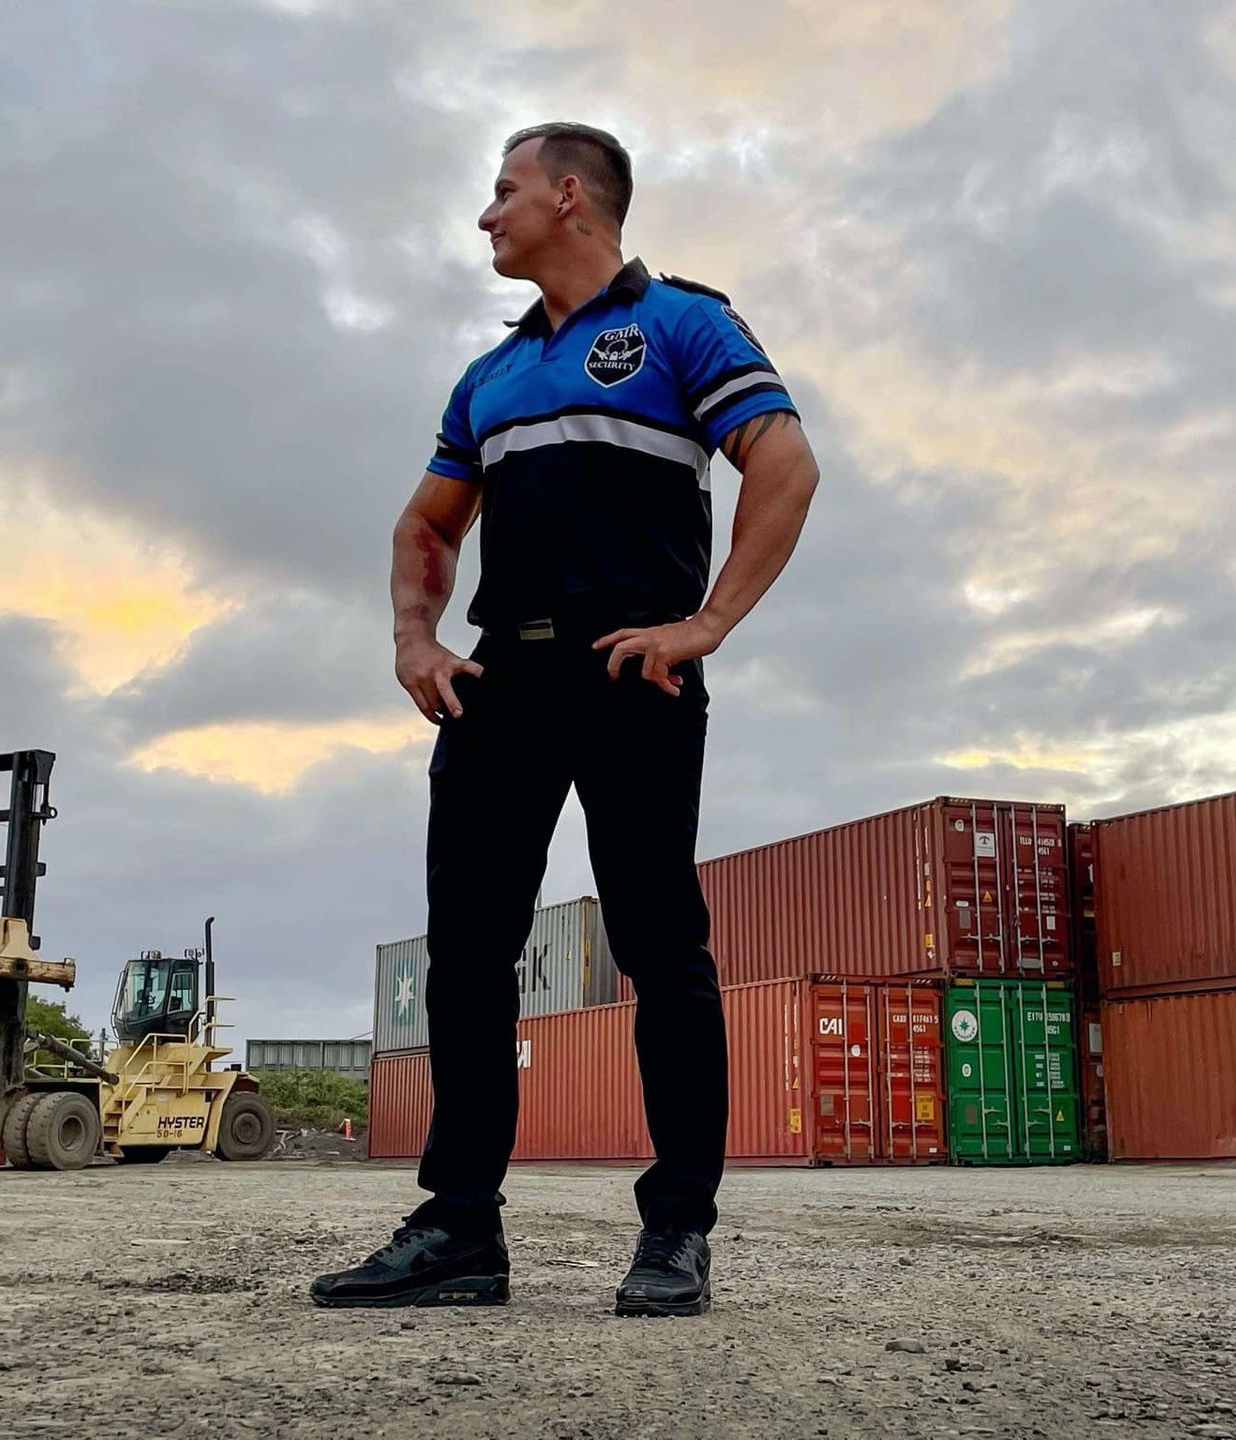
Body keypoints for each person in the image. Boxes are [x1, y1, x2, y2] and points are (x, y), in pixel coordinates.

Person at [312, 122, 820, 1317]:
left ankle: (678, 1229)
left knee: (659, 947)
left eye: (505, 190)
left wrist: (704, 625)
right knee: (467, 956)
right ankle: (459, 1229)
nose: (488, 215)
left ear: (571, 194)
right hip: (501, 681)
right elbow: (426, 525)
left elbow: (786, 465)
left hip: (633, 672)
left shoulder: (684, 323)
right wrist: (415, 641)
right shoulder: (489, 376)